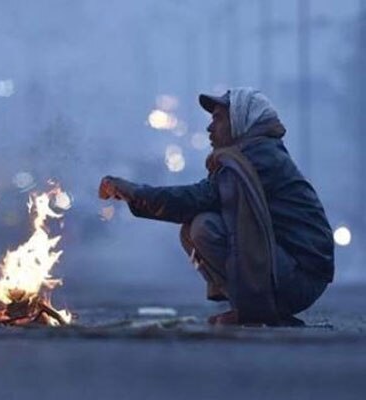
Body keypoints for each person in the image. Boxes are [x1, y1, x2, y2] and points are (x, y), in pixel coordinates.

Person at [99, 88, 334, 326]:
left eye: (218, 119)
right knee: (194, 226)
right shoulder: (250, 154)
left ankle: (257, 312)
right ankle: (254, 309)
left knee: (204, 226)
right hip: (291, 269)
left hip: (301, 276)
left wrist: (134, 192)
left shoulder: (258, 157)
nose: (210, 128)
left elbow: (196, 198)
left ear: (242, 121)